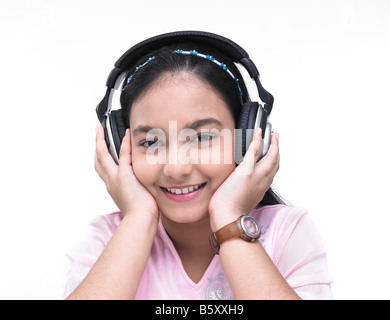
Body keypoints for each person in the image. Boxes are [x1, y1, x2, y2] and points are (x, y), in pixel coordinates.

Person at [64, 32, 333, 300]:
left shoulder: (286, 233)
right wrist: (138, 219)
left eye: (203, 138)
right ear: (118, 147)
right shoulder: (105, 240)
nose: (176, 168)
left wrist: (229, 217)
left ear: (248, 137)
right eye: (150, 142)